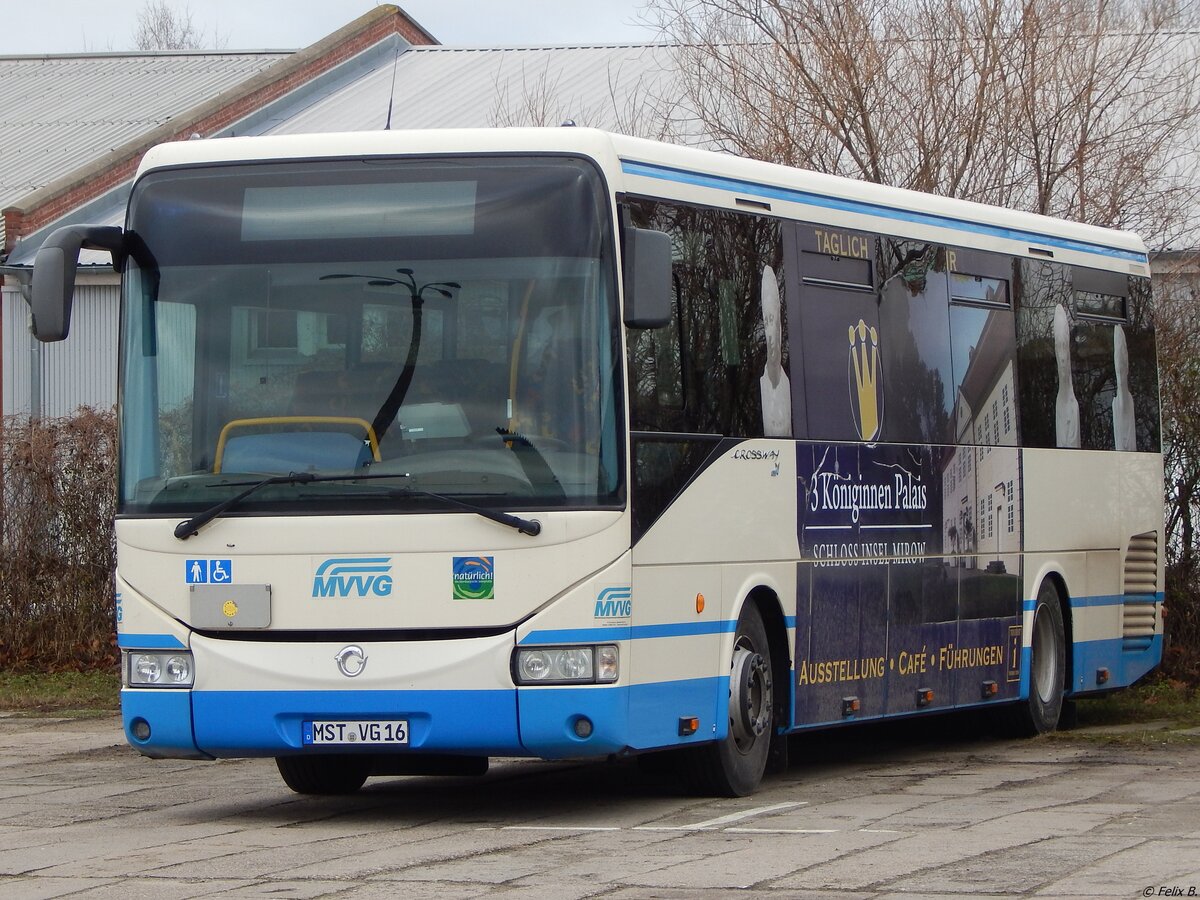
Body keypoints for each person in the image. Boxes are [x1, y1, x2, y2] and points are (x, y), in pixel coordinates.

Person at [759, 265, 792, 437]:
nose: (770, 330)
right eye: (766, 320)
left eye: (773, 319)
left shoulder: (784, 381)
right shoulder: (765, 383)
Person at [1053, 304, 1080, 449]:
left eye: (1064, 347)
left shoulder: (1072, 403)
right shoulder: (1061, 402)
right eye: (1058, 347)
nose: (1062, 358)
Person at [1112, 324, 1136, 451]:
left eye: (1123, 366)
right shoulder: (1116, 404)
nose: (1120, 371)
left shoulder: (1129, 401)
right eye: (1118, 368)